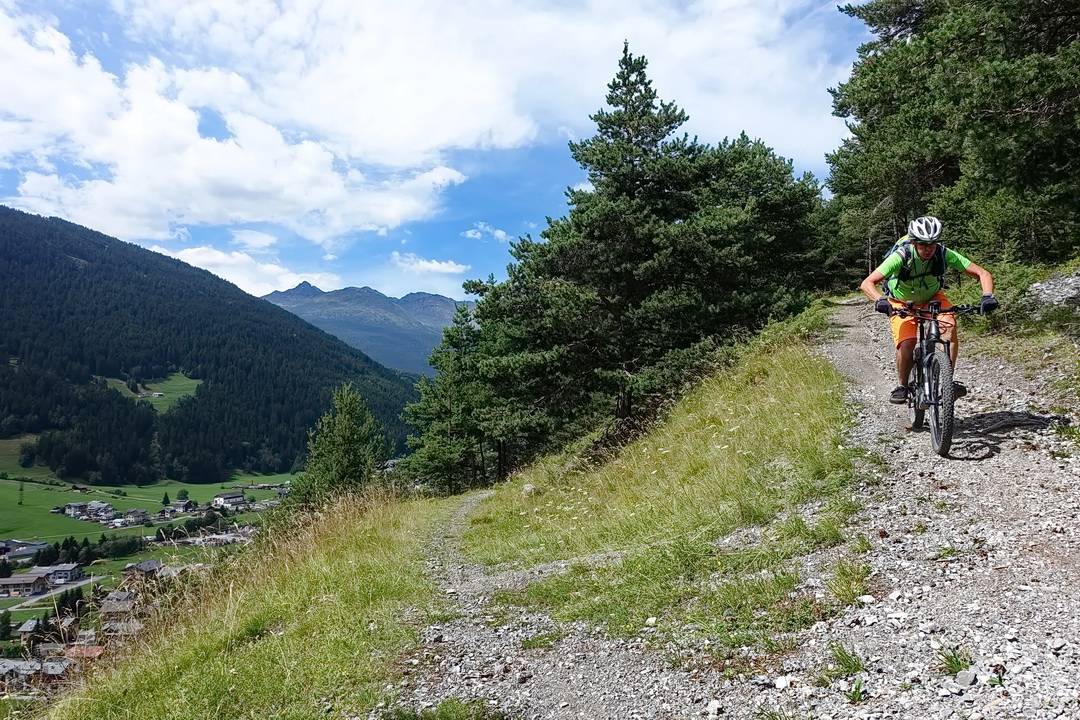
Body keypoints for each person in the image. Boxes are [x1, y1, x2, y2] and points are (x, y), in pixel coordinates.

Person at [859, 216, 997, 404]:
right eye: (923, 245)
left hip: (932, 298)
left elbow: (982, 273)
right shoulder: (901, 256)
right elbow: (868, 283)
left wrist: (987, 296)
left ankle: (948, 382)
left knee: (949, 327)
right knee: (907, 344)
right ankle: (902, 386)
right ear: (914, 243)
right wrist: (880, 301)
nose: (928, 249)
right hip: (901, 301)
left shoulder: (943, 253)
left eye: (932, 244)